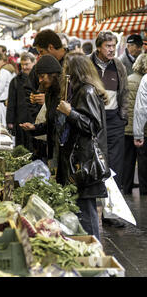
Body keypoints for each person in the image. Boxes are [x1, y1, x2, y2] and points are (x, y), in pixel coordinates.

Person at [55, 52, 110, 240]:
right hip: (78, 159)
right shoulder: (78, 91)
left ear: (75, 71)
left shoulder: (86, 91)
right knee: (83, 210)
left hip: (84, 161)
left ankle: (95, 254)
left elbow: (93, 126)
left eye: (66, 70)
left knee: (87, 212)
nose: (64, 74)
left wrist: (70, 113)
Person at [90, 30, 128, 228]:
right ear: (99, 47)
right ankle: (91, 209)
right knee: (97, 164)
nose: (112, 49)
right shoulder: (89, 64)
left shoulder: (118, 65)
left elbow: (125, 92)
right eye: (108, 46)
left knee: (115, 167)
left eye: (114, 45)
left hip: (114, 120)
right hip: (94, 120)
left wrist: (123, 116)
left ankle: (111, 212)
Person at [24, 29, 68, 161]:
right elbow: (30, 88)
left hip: (64, 143)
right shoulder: (42, 66)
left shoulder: (72, 63)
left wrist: (50, 101)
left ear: (50, 47)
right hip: (49, 134)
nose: (40, 56)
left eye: (41, 52)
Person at [19, 55, 62, 169]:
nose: (40, 80)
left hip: (64, 152)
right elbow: (51, 124)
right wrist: (34, 128)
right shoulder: (50, 95)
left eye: (42, 76)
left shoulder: (65, 93)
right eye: (39, 77)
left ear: (53, 75)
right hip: (53, 150)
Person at [123, 54, 147, 195]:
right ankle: (144, 191)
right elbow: (141, 109)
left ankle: (126, 189)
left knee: (128, 161)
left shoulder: (128, 79)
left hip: (127, 128)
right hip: (142, 129)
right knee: (143, 162)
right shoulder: (144, 80)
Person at [6, 52, 36, 151]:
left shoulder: (39, 80)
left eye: (27, 64)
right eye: (22, 64)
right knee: (21, 148)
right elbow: (11, 102)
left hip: (35, 121)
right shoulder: (15, 81)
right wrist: (10, 121)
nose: (24, 67)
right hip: (20, 121)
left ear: (33, 63)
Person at [0, 53, 16, 127]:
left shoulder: (3, 71)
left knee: (3, 124)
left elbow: (0, 87)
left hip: (3, 101)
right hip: (9, 99)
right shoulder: (11, 69)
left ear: (3, 60)